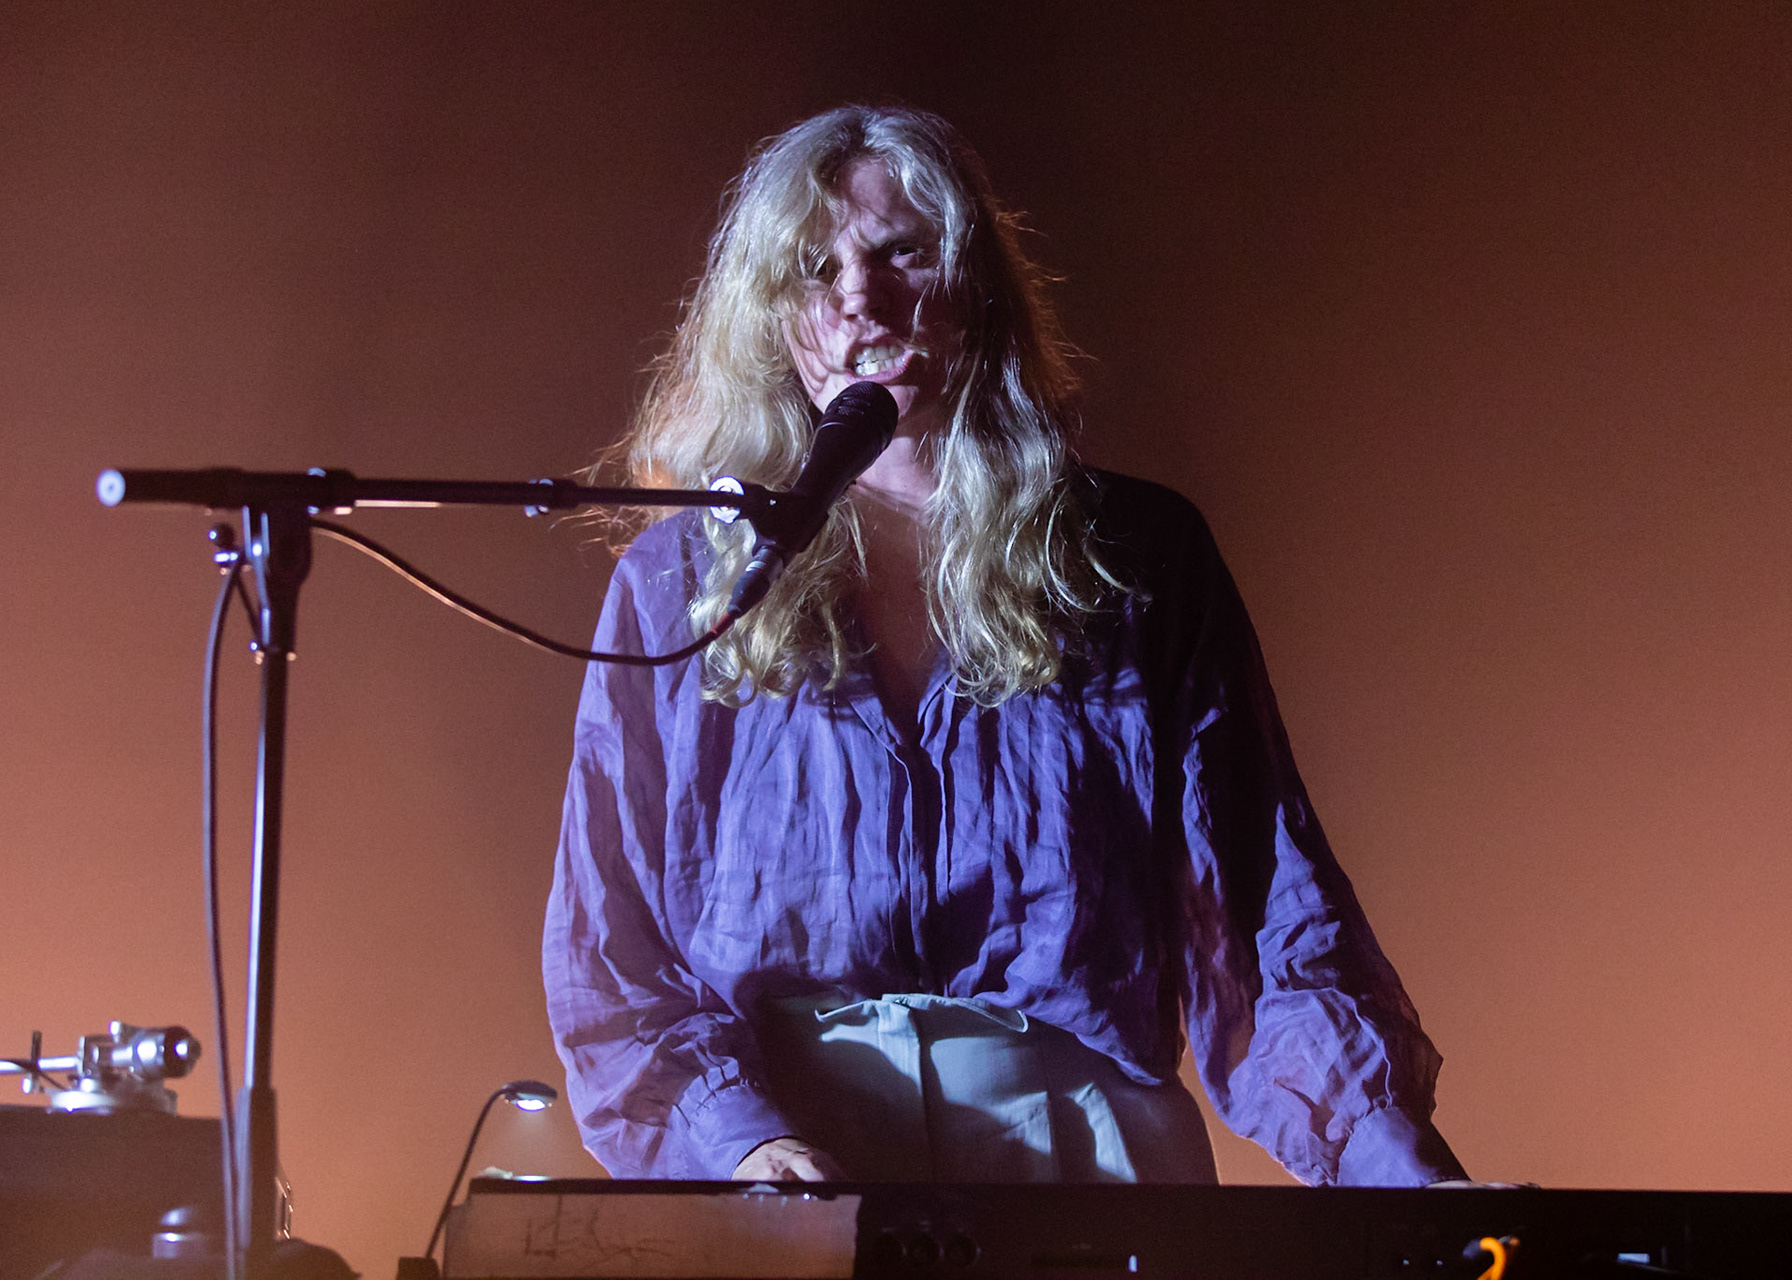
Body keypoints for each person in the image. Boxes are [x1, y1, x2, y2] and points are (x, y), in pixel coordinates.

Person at [541, 104, 1468, 1187]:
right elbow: (612, 959)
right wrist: (742, 1142)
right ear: (770, 317)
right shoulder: (680, 588)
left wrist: (1404, 1178)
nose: (860, 299)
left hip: (1089, 1169)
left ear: (975, 283)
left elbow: (1267, 922)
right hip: (789, 1174)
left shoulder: (1140, 558)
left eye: (902, 252)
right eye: (814, 266)